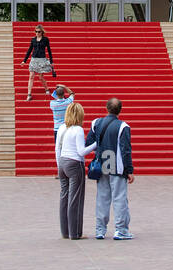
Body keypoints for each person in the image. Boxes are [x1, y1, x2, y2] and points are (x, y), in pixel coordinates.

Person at [90, 98, 134, 240]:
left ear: (106, 108)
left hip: (101, 164)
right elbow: (126, 150)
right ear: (120, 110)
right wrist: (129, 170)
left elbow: (89, 142)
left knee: (102, 198)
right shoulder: (123, 126)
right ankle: (121, 229)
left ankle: (100, 230)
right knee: (119, 198)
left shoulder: (96, 123)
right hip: (117, 166)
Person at [55, 102, 97, 240]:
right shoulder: (78, 130)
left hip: (62, 162)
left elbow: (57, 148)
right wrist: (96, 144)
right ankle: (75, 233)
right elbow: (81, 151)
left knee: (64, 197)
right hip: (74, 163)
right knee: (75, 199)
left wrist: (59, 164)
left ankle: (65, 232)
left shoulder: (62, 128)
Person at [22, 25, 55, 101]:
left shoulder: (45, 40)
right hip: (34, 60)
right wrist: (24, 60)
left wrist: (51, 61)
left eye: (39, 32)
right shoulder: (33, 40)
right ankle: (29, 94)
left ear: (42, 32)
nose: (37, 33)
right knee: (31, 76)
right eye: (36, 31)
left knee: (40, 77)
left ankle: (46, 89)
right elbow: (29, 50)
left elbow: (49, 50)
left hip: (42, 60)